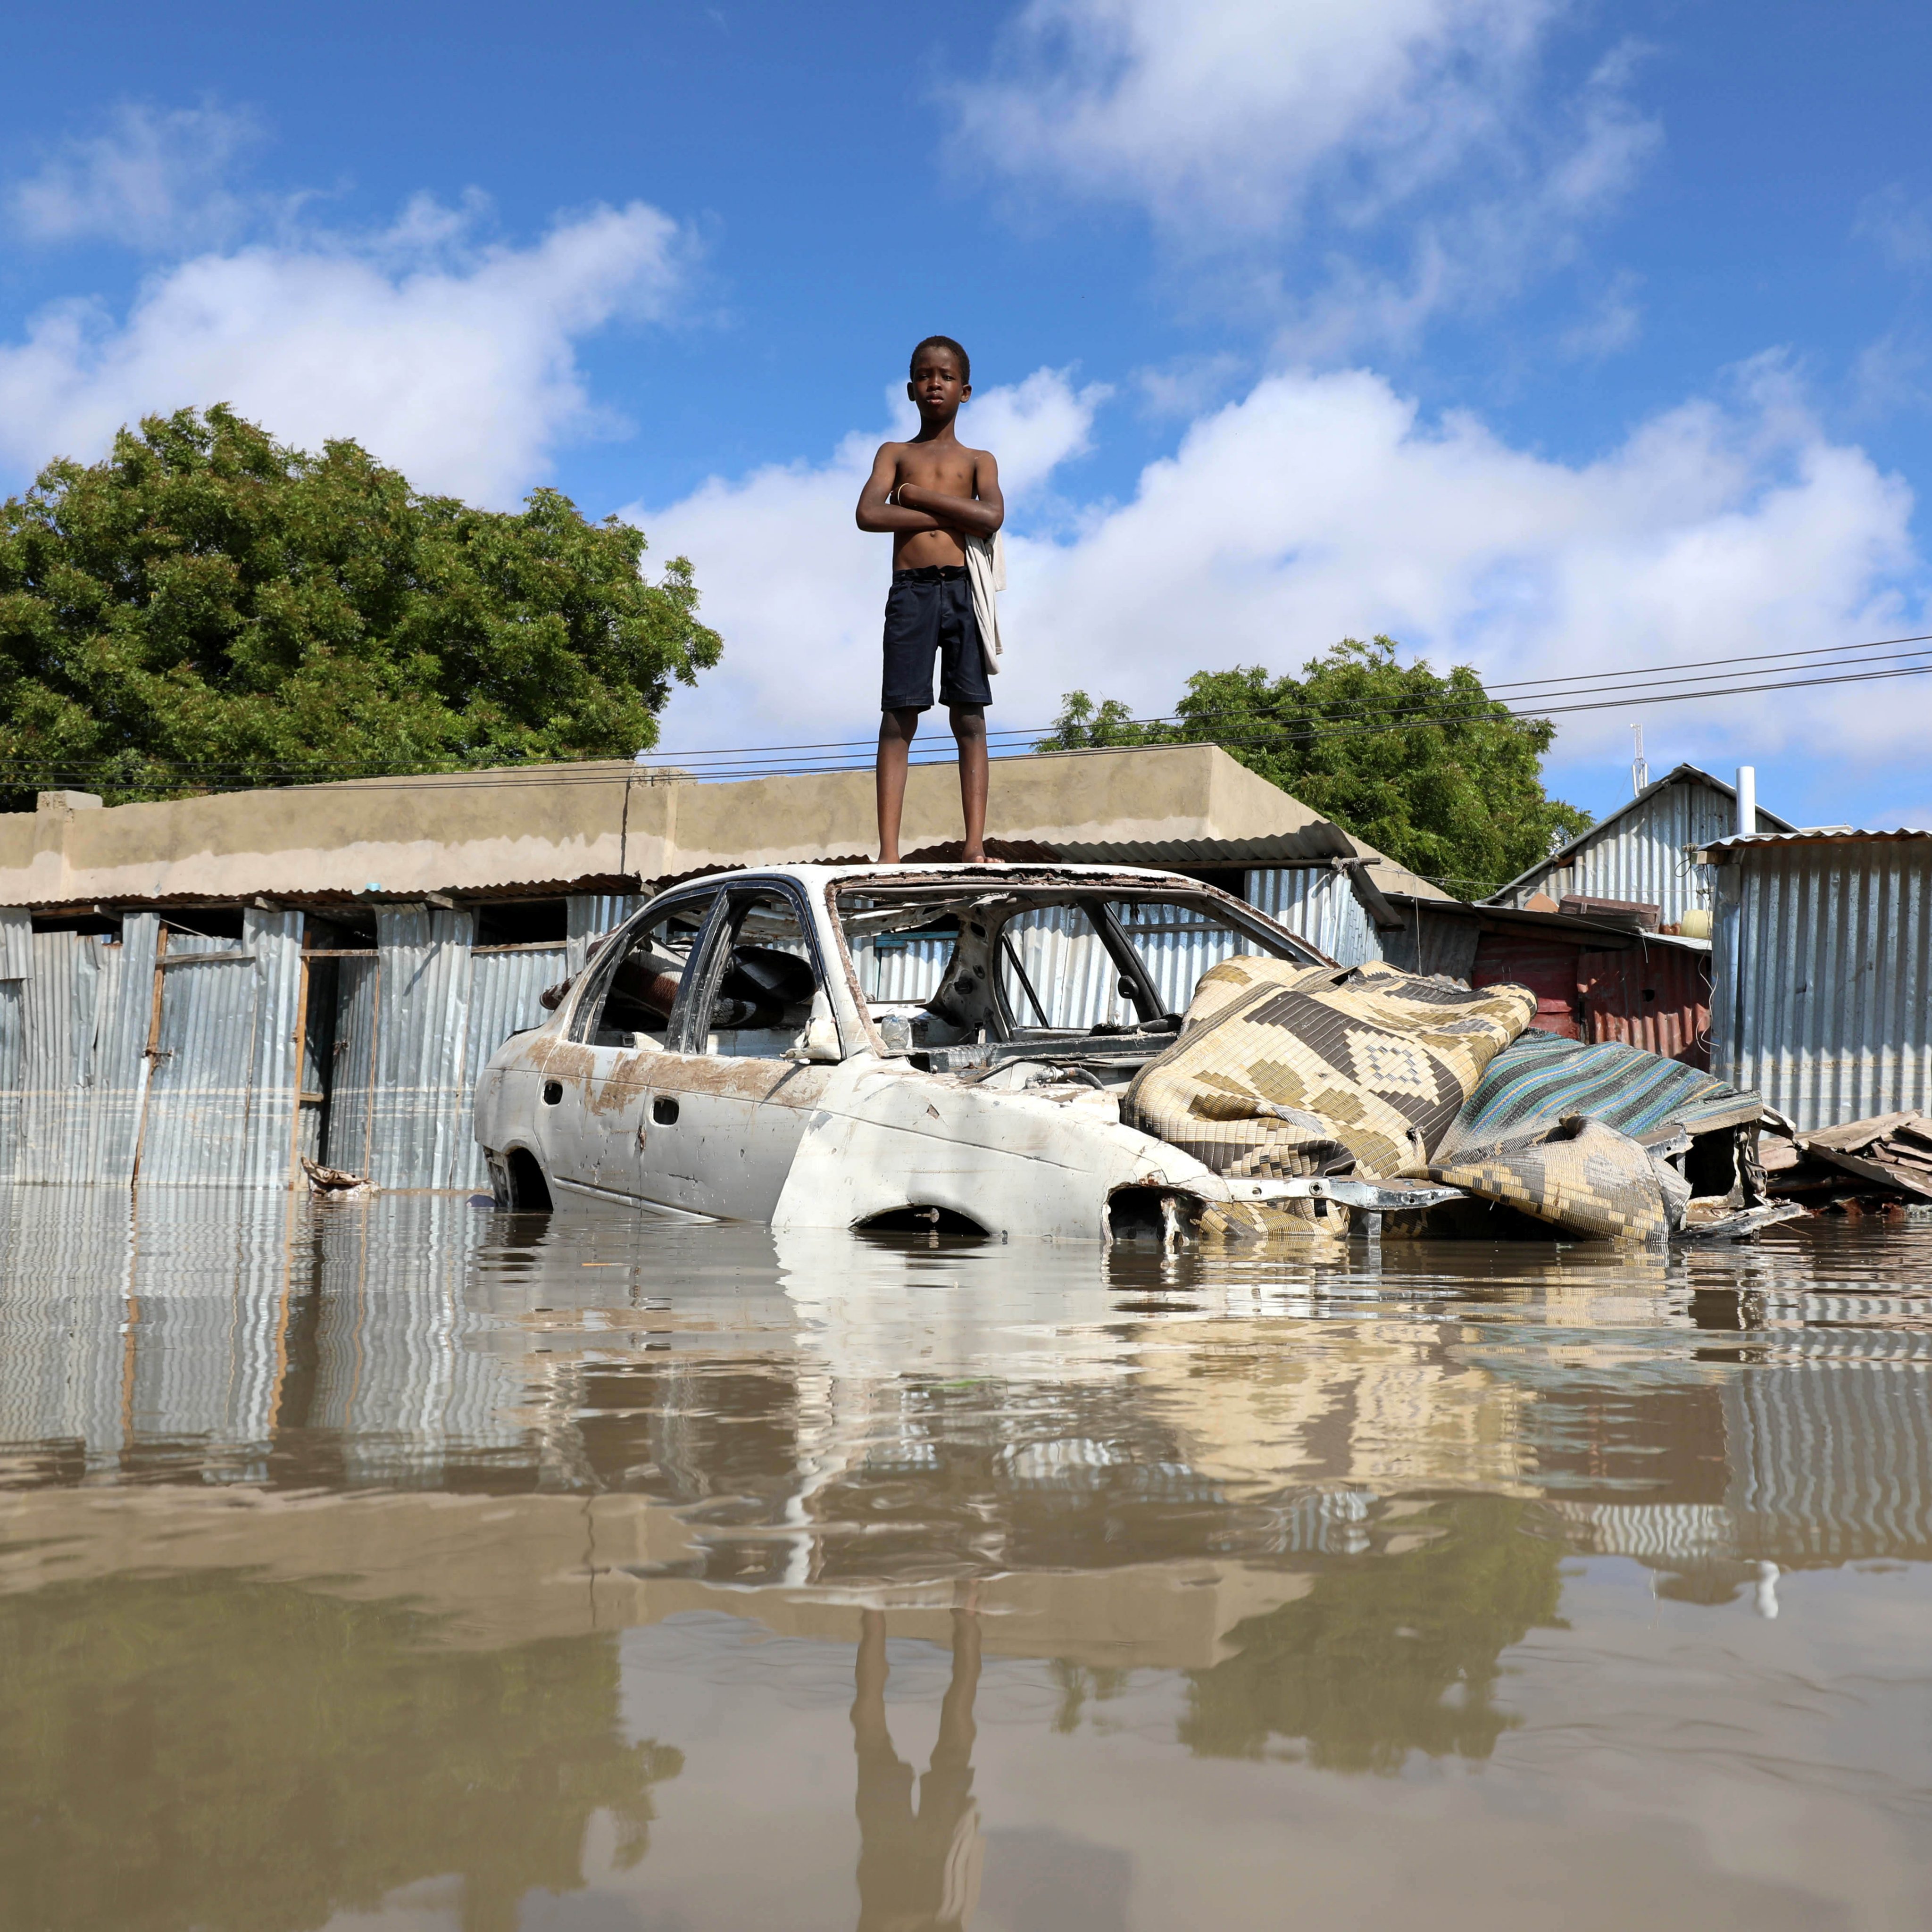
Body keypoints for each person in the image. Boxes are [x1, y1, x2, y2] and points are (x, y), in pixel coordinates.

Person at [856, 336, 1005, 864]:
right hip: (912, 592)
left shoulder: (979, 459)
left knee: (969, 715)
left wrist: (917, 498)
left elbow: (990, 518)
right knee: (900, 714)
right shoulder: (895, 454)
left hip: (963, 591)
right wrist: (953, 513)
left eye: (944, 376)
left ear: (964, 391)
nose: (933, 384)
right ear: (910, 389)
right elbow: (870, 514)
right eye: (924, 375)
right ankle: (889, 852)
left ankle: (973, 845)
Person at [851, 1600, 984, 1931]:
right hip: (894, 1876)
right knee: (873, 1745)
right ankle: (874, 1604)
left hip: (936, 1884)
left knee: (953, 1750)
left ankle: (968, 1604)